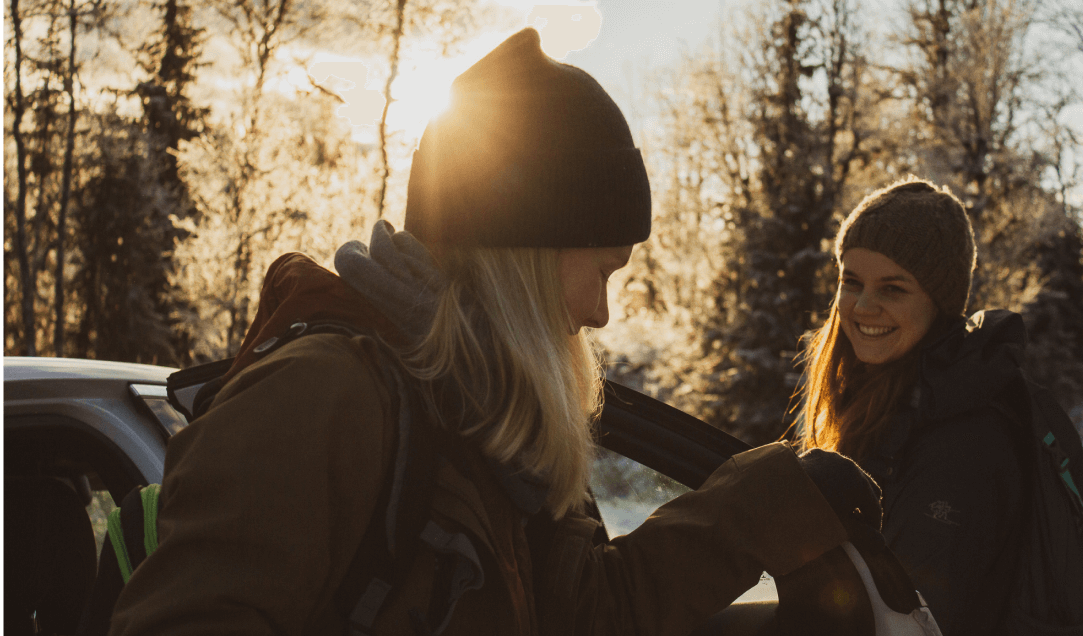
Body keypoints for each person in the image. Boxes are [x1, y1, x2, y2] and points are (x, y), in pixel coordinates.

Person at [106, 28, 884, 636]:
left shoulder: (495, 421)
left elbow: (584, 614)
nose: (601, 312)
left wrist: (763, 503)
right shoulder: (322, 394)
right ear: (527, 258)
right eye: (603, 270)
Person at [797, 177, 1028, 635]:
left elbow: (910, 623)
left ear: (939, 303)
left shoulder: (962, 440)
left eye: (893, 289)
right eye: (851, 282)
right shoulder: (880, 402)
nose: (863, 306)